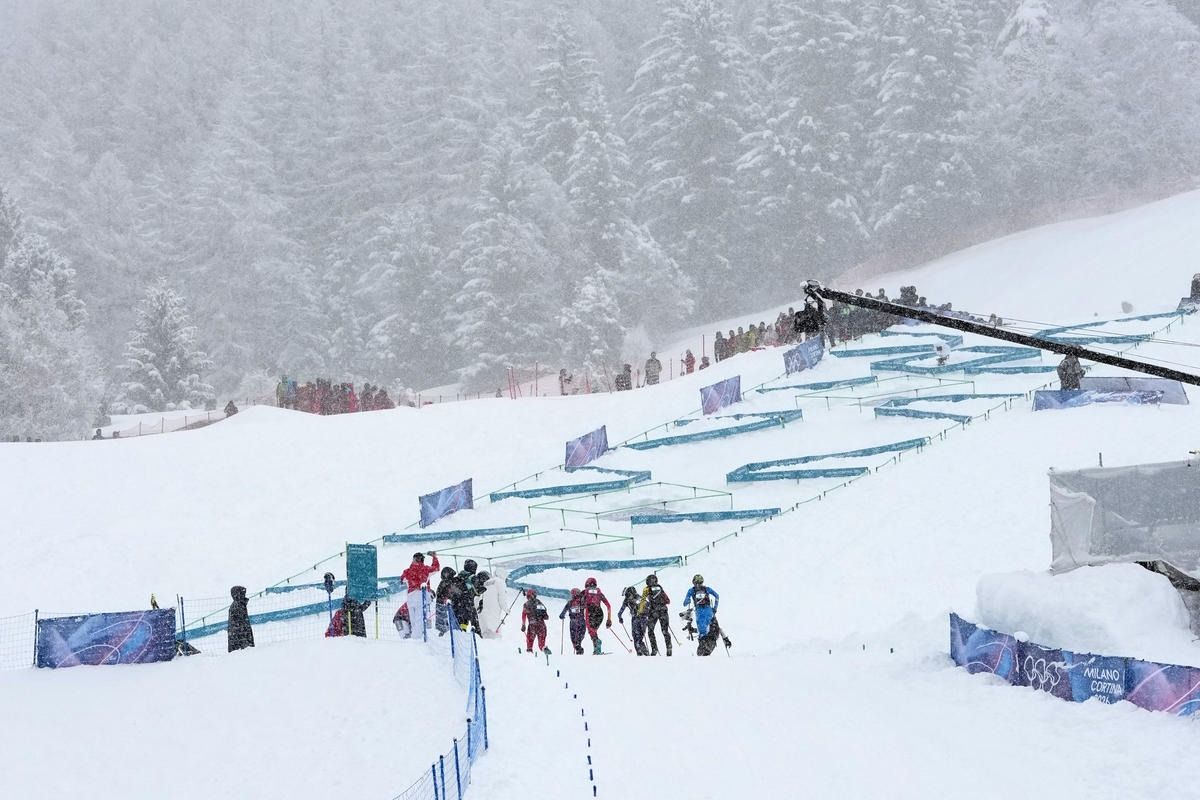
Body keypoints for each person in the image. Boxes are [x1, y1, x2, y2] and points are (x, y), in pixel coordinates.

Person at [682, 574, 725, 657]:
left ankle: (703, 649)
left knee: (702, 630)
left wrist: (687, 601)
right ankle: (707, 647)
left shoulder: (691, 590)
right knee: (711, 627)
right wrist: (715, 608)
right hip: (708, 610)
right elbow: (717, 596)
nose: (698, 585)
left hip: (700, 611)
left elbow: (685, 603)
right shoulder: (706, 589)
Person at [641, 574, 672, 656]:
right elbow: (668, 600)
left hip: (653, 612)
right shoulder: (660, 587)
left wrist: (640, 611)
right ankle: (669, 647)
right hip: (663, 611)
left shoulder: (646, 589)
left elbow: (643, 601)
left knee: (650, 631)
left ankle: (654, 649)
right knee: (665, 631)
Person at [581, 576, 612, 655]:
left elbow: (580, 602)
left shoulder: (585, 592)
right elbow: (608, 606)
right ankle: (596, 649)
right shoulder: (600, 593)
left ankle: (597, 645)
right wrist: (609, 619)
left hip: (590, 612)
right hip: (599, 613)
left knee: (591, 631)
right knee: (594, 631)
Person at [618, 586, 649, 656]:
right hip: (643, 619)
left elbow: (620, 612)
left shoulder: (628, 600)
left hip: (637, 619)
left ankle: (641, 652)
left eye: (628, 595)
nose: (628, 597)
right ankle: (644, 652)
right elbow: (648, 606)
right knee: (638, 637)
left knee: (637, 637)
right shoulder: (640, 598)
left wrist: (620, 617)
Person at [520, 589, 551, 654]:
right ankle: (544, 648)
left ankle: (529, 651)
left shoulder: (526, 604)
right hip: (541, 625)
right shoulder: (539, 602)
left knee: (530, 641)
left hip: (532, 625)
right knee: (541, 643)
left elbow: (524, 615)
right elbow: (546, 615)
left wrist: (523, 624)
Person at [559, 588, 587, 655]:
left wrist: (562, 616)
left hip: (573, 622)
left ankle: (578, 647)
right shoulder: (582, 601)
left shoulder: (570, 603)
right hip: (582, 621)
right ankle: (578, 647)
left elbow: (563, 612)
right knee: (580, 636)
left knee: (573, 637)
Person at [227, 585, 255, 652]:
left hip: (240, 636)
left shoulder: (240, 604)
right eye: (242, 593)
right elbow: (239, 625)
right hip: (240, 638)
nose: (244, 595)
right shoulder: (238, 605)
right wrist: (246, 640)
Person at [435, 566, 459, 635]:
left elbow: (439, 593)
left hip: (443, 605)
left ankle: (445, 634)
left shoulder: (445, 582)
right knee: (446, 622)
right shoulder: (451, 582)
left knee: (444, 623)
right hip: (446, 605)